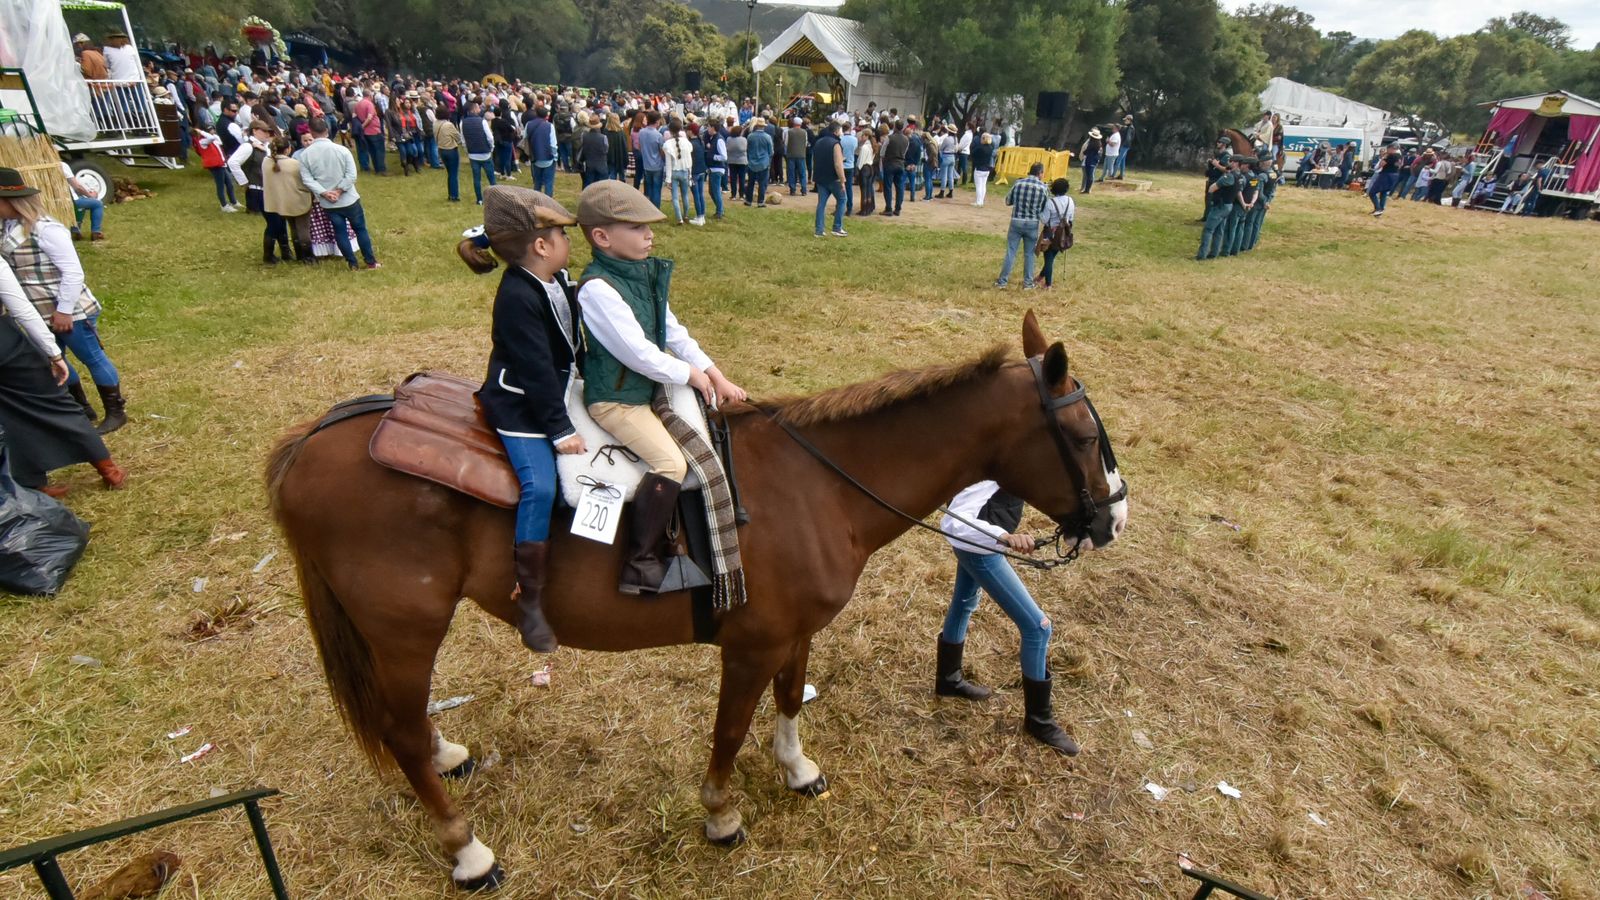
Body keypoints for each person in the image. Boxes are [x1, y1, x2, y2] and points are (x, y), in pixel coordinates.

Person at [572, 180, 748, 594]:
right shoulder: (598, 288)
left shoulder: (642, 275)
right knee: (671, 463)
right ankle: (640, 561)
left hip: (644, 389)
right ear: (602, 237)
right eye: (637, 228)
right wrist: (690, 375)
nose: (650, 235)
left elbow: (673, 332)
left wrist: (715, 373)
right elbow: (638, 353)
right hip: (617, 400)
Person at [462, 187, 585, 653]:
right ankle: (528, 597)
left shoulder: (555, 279)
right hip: (523, 406)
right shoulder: (516, 295)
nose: (567, 243)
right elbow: (533, 368)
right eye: (561, 235)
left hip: (558, 389)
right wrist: (559, 430)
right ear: (540, 245)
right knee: (542, 485)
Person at [935, 481, 1079, 755]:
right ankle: (1040, 721)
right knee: (1038, 628)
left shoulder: (1013, 457)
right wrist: (1003, 536)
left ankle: (948, 679)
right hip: (981, 551)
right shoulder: (990, 468)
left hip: (978, 547)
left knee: (964, 602)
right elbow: (954, 521)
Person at [0, 168, 130, 434]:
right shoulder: (8, 228)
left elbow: (73, 272)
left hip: (70, 310)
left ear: (11, 201)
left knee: (91, 357)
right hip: (39, 311)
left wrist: (64, 311)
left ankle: (116, 412)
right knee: (53, 358)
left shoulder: (46, 229)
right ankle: (81, 408)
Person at [0, 257, 127, 497]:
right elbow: (22, 308)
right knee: (56, 403)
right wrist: (54, 353)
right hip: (6, 344)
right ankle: (109, 471)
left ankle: (29, 482)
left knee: (5, 413)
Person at [298, 117, 381, 269]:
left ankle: (352, 264)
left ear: (311, 132)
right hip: (348, 198)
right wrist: (339, 190)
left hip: (328, 202)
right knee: (360, 229)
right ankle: (370, 261)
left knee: (340, 231)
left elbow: (307, 179)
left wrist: (324, 193)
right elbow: (351, 175)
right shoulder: (342, 150)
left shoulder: (305, 155)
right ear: (327, 131)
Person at [262, 135, 314, 265]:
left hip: (279, 202)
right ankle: (307, 256)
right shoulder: (295, 164)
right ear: (288, 149)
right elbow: (305, 183)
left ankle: (295, 253)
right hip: (297, 200)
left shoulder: (266, 162)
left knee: (292, 227)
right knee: (302, 229)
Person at [996, 162, 1047, 289]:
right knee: (1029, 254)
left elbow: (1008, 201)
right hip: (1032, 223)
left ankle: (1002, 281)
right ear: (1040, 173)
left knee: (1011, 251)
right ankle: (1028, 283)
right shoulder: (1043, 187)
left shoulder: (1018, 183)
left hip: (1016, 220)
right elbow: (1045, 207)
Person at [228, 118, 276, 215]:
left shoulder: (265, 146)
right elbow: (232, 162)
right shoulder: (248, 146)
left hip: (266, 189)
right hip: (255, 190)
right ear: (254, 131)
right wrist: (243, 181)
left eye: (268, 132)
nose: (267, 134)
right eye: (264, 131)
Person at [1197, 157, 1239, 259]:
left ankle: (1201, 255)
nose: (1231, 163)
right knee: (1219, 230)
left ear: (1239, 164)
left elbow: (1212, 187)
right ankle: (1214, 253)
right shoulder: (1240, 176)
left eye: (1234, 161)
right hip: (1228, 205)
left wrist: (1211, 200)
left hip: (1220, 205)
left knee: (1208, 230)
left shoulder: (1229, 177)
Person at [1037, 178, 1075, 289]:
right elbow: (1071, 218)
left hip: (1050, 233)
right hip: (1063, 234)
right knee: (1051, 257)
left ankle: (1048, 284)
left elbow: (1044, 219)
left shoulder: (1050, 202)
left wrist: (1038, 211)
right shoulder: (1070, 201)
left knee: (1048, 258)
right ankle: (1040, 277)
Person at [811, 121, 847, 237]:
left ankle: (819, 230)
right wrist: (842, 180)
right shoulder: (836, 144)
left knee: (821, 204)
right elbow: (838, 164)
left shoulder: (818, 142)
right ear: (836, 131)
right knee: (842, 200)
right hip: (833, 178)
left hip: (820, 177)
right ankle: (837, 227)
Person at [192, 125, 238, 211]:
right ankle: (224, 205)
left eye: (213, 129)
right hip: (215, 166)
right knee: (220, 186)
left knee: (229, 184)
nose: (212, 131)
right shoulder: (203, 141)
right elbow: (211, 138)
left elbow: (219, 141)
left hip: (221, 164)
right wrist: (201, 132)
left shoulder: (212, 140)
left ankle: (233, 201)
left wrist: (214, 135)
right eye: (210, 130)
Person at [60, 164, 105, 242]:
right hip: (68, 201)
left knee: (81, 200)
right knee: (97, 204)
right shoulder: (61, 165)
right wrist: (90, 195)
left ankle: (75, 229)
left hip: (49, 203)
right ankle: (96, 232)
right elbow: (77, 187)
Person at [662, 121, 695, 227]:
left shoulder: (667, 144)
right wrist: (690, 175)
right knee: (685, 195)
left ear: (670, 131)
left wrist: (668, 179)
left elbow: (668, 164)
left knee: (675, 197)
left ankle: (679, 218)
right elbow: (689, 160)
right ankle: (685, 215)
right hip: (685, 171)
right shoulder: (687, 142)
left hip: (674, 173)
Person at [1244, 157, 1277, 251]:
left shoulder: (1262, 176)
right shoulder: (1273, 174)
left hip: (1259, 203)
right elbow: (1272, 190)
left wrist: (1264, 201)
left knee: (1250, 223)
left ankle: (1246, 244)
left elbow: (1259, 192)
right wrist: (1268, 201)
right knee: (1258, 223)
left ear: (1263, 164)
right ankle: (1253, 242)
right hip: (1266, 202)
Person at [351, 89, 386, 175]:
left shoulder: (357, 104)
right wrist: (362, 126)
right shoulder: (369, 104)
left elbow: (354, 116)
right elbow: (369, 117)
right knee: (379, 150)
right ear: (370, 96)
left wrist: (361, 127)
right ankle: (381, 169)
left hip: (365, 133)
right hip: (373, 130)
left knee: (372, 151)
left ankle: (374, 167)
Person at [637, 111, 666, 208]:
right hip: (657, 165)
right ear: (657, 121)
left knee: (649, 188)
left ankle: (649, 208)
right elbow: (662, 151)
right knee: (657, 189)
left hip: (646, 164)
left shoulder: (641, 132)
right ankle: (656, 209)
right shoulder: (658, 135)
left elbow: (639, 147)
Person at [743, 117, 773, 207]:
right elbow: (771, 151)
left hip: (752, 162)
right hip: (763, 163)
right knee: (762, 183)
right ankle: (760, 201)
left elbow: (747, 149)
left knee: (751, 183)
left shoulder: (750, 136)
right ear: (763, 126)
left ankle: (748, 200)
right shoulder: (767, 137)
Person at [435, 109, 463, 202]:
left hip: (441, 149)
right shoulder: (448, 125)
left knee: (449, 173)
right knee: (453, 174)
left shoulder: (435, 124)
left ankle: (450, 194)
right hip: (450, 150)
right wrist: (460, 143)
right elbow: (457, 137)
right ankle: (454, 196)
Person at [700, 125, 726, 222]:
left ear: (713, 128)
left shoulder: (719, 140)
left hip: (717, 168)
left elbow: (724, 156)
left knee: (715, 191)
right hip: (713, 168)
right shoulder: (712, 138)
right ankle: (720, 209)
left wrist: (713, 156)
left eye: (709, 127)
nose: (707, 129)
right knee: (712, 191)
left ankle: (720, 211)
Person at [880, 121, 907, 216]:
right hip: (901, 163)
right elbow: (905, 152)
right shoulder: (906, 139)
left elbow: (882, 152)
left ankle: (888, 208)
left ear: (895, 127)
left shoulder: (889, 138)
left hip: (890, 163)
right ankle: (898, 208)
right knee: (899, 187)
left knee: (888, 187)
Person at [1367, 147, 1401, 217]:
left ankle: (1378, 209)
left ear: (1391, 149)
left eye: (1388, 149)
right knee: (1384, 192)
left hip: (1386, 174)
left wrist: (1384, 157)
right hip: (1395, 175)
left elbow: (1381, 164)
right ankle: (1381, 210)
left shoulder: (1390, 156)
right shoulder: (1399, 156)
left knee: (1372, 192)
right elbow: (1400, 165)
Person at [579, 114, 610, 187]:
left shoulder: (584, 136)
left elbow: (583, 147)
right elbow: (606, 150)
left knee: (588, 186)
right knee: (602, 187)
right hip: (601, 164)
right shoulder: (603, 137)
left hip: (589, 164)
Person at [855, 123, 877, 216]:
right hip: (870, 167)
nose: (861, 137)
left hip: (864, 168)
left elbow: (861, 160)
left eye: (863, 135)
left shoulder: (864, 147)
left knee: (863, 190)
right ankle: (868, 207)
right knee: (868, 189)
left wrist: (857, 170)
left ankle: (863, 209)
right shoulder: (872, 145)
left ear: (866, 136)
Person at [785, 117, 809, 196]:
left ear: (794, 123)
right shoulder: (804, 132)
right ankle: (804, 189)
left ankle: (792, 189)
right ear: (800, 124)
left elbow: (786, 143)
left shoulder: (789, 131)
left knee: (791, 172)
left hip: (791, 154)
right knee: (802, 173)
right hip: (801, 155)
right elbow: (805, 143)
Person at [970, 129, 995, 207]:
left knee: (978, 186)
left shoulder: (980, 147)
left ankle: (978, 201)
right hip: (987, 168)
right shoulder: (990, 148)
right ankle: (981, 201)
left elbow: (973, 153)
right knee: (983, 185)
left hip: (979, 168)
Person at [726, 125, 749, 200]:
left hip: (732, 160)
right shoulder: (743, 139)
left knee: (733, 178)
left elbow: (727, 148)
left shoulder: (729, 139)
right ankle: (741, 195)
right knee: (742, 178)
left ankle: (733, 195)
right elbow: (745, 148)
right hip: (742, 161)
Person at [936, 123, 958, 199]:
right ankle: (951, 191)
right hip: (952, 157)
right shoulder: (955, 139)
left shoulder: (947, 139)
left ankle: (942, 192)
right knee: (950, 175)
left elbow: (941, 148)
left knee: (944, 175)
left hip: (946, 157)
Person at [1079, 128, 1103, 193]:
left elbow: (1086, 152)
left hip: (1091, 161)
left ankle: (1087, 189)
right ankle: (1087, 189)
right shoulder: (1098, 143)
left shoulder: (1094, 144)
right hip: (1092, 161)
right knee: (1089, 175)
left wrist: (1084, 152)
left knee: (1090, 175)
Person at [1112, 115, 1134, 179]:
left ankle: (1113, 175)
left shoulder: (1130, 128)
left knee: (1118, 160)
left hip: (1125, 146)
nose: (1124, 121)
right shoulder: (1128, 127)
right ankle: (1121, 175)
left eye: (1126, 120)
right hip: (1126, 145)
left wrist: (1122, 145)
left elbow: (1128, 138)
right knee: (1122, 161)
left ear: (1129, 120)